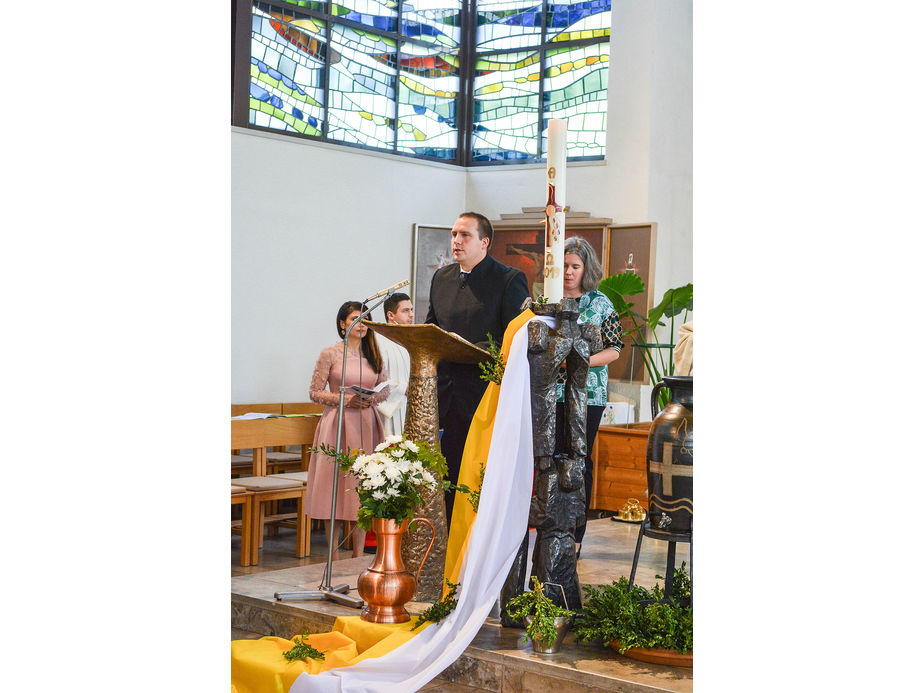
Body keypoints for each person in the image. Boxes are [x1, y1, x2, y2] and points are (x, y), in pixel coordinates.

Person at [426, 212, 530, 522]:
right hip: (445, 392)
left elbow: (515, 338)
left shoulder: (508, 279)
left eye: (465, 235)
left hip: (486, 394)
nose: (456, 241)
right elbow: (433, 326)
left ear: (484, 242)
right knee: (446, 474)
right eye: (454, 234)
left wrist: (471, 348)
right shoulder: (441, 278)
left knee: (478, 477)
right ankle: (443, 543)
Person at [555, 236, 624, 558]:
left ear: (586, 269)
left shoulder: (601, 304)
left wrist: (579, 362)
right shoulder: (546, 300)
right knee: (552, 460)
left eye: (575, 266)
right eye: (565, 265)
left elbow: (614, 350)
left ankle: (576, 534)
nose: (568, 272)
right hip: (549, 392)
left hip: (588, 393)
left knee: (579, 460)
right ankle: (550, 528)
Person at [304, 301, 390, 558]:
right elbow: (314, 392)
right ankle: (331, 553)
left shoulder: (373, 354)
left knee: (361, 485)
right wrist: (345, 399)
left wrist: (371, 399)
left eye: (366, 318)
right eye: (356, 318)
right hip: (337, 424)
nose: (362, 323)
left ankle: (358, 554)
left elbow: (385, 388)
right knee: (335, 483)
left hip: (366, 423)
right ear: (343, 324)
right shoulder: (330, 354)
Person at [375, 292, 413, 437]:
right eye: (405, 311)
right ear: (390, 315)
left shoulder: (410, 342)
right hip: (389, 412)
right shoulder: (378, 342)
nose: (411, 315)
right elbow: (375, 380)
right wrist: (405, 388)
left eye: (411, 310)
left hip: (409, 409)